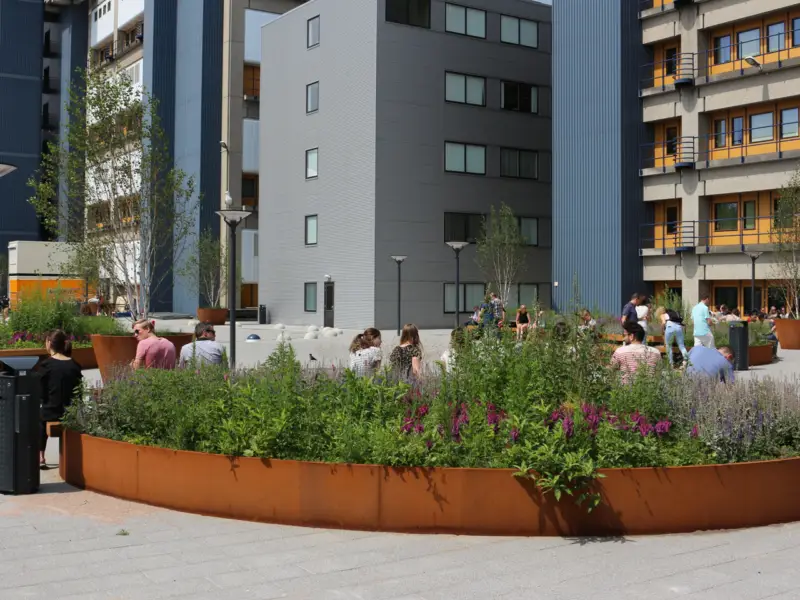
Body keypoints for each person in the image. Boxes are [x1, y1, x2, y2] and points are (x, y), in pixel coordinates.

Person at [37, 330, 83, 468]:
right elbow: (78, 391)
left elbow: (41, 392)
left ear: (49, 343)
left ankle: (40, 457)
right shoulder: (74, 365)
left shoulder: (46, 365)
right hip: (70, 411)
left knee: (38, 419)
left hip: (51, 412)